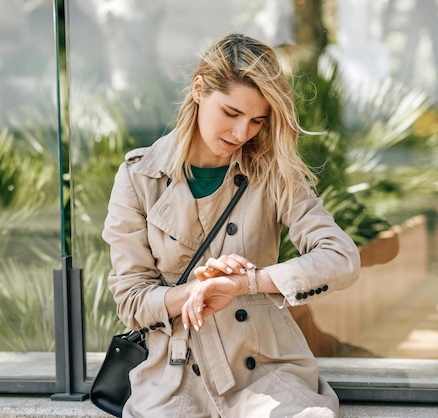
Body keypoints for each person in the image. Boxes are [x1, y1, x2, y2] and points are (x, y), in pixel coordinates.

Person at [102, 33, 361, 418]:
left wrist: (245, 284)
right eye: (231, 113)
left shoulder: (272, 173)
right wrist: (194, 291)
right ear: (199, 89)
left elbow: (341, 258)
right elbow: (132, 299)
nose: (242, 134)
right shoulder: (140, 177)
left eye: (257, 120)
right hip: (173, 380)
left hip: (266, 369)